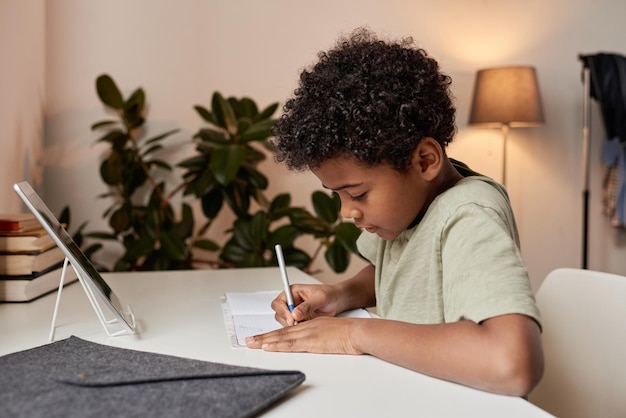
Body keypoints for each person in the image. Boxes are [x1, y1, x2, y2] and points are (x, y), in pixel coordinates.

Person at [245, 28, 544, 397]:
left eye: (357, 193)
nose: (346, 211)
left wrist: (355, 334)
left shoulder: (468, 214)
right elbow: (399, 271)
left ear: (424, 160)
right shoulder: (412, 206)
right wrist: (339, 295)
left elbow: (511, 362)